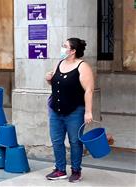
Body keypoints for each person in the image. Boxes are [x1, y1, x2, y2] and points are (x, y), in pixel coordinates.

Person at [45, 38, 94, 182]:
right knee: (57, 141)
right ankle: (60, 170)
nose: (62, 48)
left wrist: (88, 111)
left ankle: (76, 171)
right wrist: (49, 79)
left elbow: (89, 90)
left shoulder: (83, 66)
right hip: (56, 110)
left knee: (75, 141)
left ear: (73, 51)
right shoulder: (59, 63)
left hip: (75, 111)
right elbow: (55, 83)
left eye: (64, 46)